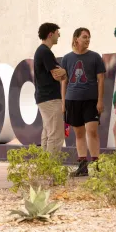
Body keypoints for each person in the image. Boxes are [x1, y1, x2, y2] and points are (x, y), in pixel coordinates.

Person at [61, 28, 106, 177]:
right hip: (72, 100)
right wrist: (63, 103)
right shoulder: (67, 59)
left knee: (92, 131)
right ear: (76, 39)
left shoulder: (95, 57)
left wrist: (100, 100)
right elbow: (64, 81)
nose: (87, 40)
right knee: (79, 134)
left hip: (91, 100)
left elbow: (101, 80)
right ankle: (82, 166)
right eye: (84, 37)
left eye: (89, 37)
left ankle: (96, 164)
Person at [34, 23, 66, 154]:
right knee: (56, 134)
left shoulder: (41, 51)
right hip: (50, 98)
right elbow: (57, 76)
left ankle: (45, 167)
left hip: (44, 97)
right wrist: (64, 72)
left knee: (48, 133)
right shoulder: (45, 52)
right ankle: (52, 168)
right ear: (50, 34)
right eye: (58, 32)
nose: (59, 35)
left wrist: (62, 72)